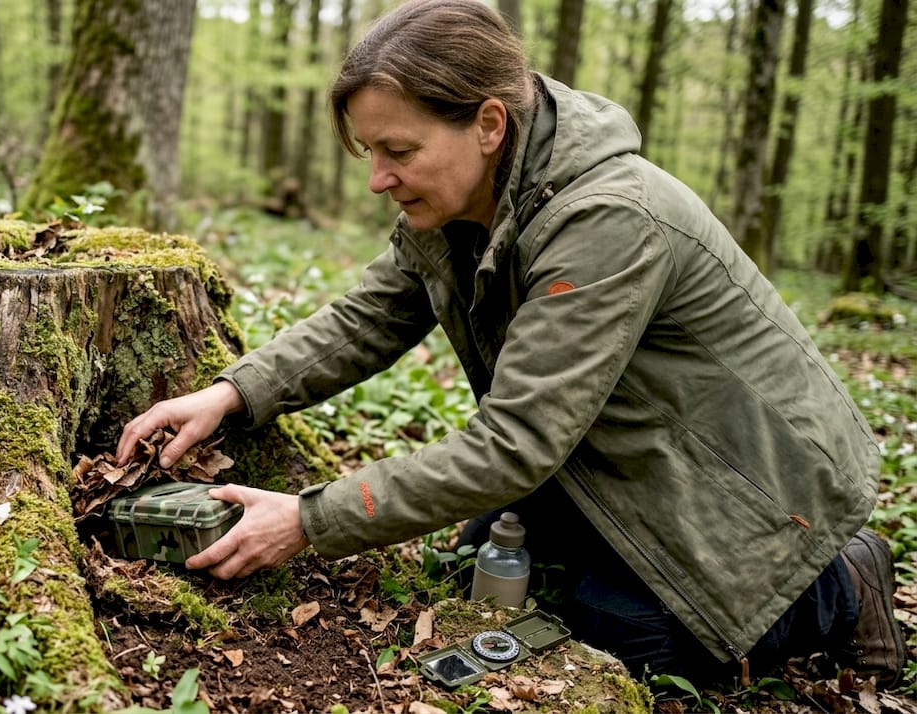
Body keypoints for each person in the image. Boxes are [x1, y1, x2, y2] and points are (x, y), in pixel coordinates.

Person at [117, 0, 906, 688]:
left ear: (489, 123)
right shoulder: (467, 196)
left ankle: (844, 584)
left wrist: (309, 519)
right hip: (618, 446)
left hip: (753, 484)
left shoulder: (608, 218)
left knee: (622, 637)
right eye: (371, 154)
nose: (377, 180)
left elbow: (518, 441)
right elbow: (370, 316)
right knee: (483, 565)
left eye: (399, 151)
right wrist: (230, 393)